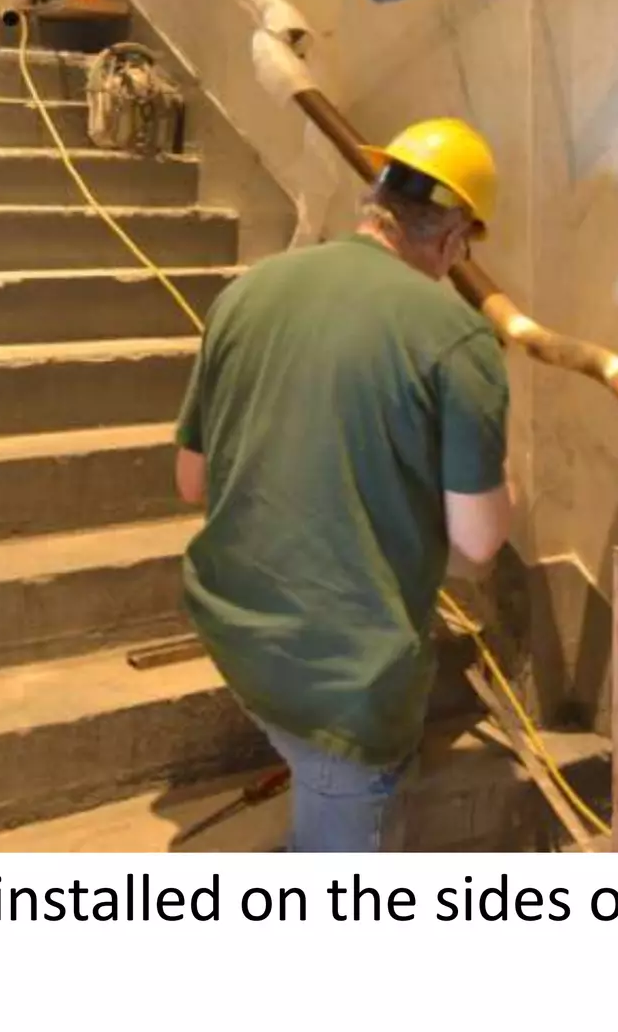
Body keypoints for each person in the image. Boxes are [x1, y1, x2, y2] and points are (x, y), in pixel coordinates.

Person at [174, 117, 514, 851]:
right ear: (455, 239)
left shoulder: (247, 291)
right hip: (342, 682)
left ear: (375, 200)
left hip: (231, 627)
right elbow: (479, 542)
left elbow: (191, 480)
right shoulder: (455, 335)